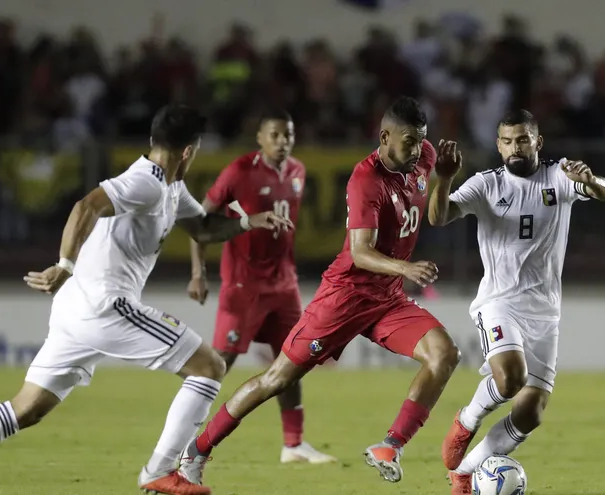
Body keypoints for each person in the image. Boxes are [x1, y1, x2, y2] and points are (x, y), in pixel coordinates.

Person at [0, 104, 293, 495]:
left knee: (27, 408)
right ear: (189, 151)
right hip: (105, 306)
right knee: (208, 366)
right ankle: (159, 470)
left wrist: (247, 221)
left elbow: (204, 229)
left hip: (76, 311)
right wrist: (64, 263)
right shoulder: (145, 182)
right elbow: (86, 206)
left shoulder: (171, 187)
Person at [174, 96, 463, 493]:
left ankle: (390, 446)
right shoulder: (366, 180)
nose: (417, 150)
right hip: (345, 296)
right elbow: (360, 252)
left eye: (421, 141)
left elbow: (434, 215)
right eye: (409, 141)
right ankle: (197, 452)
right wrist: (406, 267)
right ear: (384, 137)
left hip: (387, 298)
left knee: (444, 353)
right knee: (276, 379)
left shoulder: (426, 156)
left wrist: (444, 179)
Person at [428, 109, 605, 495]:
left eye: (523, 140)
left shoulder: (559, 175)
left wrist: (591, 181)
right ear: (498, 145)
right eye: (508, 141)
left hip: (545, 312)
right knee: (510, 378)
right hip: (499, 303)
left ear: (537, 142)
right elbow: (437, 217)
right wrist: (444, 177)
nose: (516, 147)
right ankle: (466, 420)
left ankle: (465, 472)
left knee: (530, 412)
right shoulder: (485, 184)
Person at [187, 109, 336, 464]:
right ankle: (187, 434)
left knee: (293, 359)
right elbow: (200, 221)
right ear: (259, 137)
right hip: (244, 284)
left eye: (288, 135)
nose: (283, 142)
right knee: (221, 361)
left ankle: (294, 444)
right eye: (275, 135)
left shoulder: (298, 172)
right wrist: (198, 272)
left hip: (284, 284)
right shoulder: (239, 171)